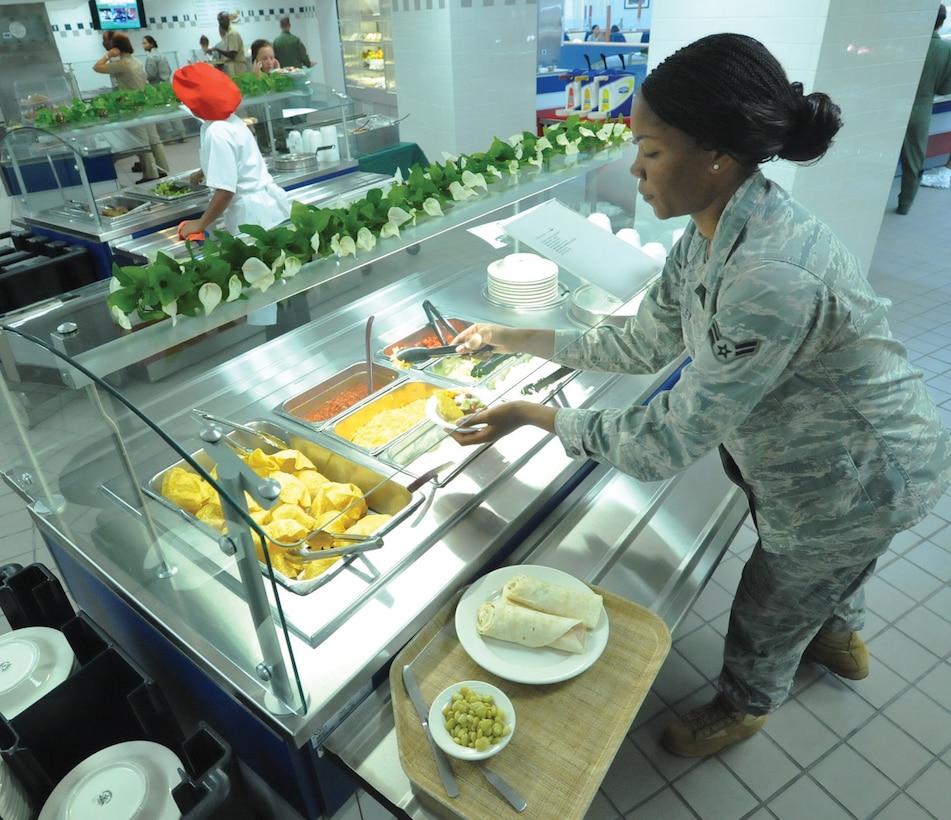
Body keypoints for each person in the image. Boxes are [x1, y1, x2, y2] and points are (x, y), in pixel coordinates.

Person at [449, 33, 951, 757]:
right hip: (820, 462)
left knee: (772, 598)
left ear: (714, 153)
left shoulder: (766, 276)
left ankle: (744, 704)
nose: (635, 169)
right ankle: (836, 632)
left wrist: (535, 415)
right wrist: (517, 338)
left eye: (650, 152)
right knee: (828, 571)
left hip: (860, 473)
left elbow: (665, 442)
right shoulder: (711, 231)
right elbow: (644, 343)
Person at [172, 62, 289, 240]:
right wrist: (202, 172)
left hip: (252, 218)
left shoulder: (216, 132)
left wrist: (200, 224)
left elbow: (225, 192)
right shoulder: (227, 121)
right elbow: (231, 160)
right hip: (264, 208)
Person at [93, 32, 170, 183]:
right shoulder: (136, 61)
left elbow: (96, 67)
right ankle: (162, 169)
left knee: (142, 142)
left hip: (133, 107)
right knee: (154, 139)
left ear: (116, 47)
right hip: (146, 103)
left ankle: (150, 174)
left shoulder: (122, 64)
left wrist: (108, 55)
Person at [898, 5, 951, 213]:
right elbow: (945, 87)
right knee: (913, 161)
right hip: (921, 109)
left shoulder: (906, 45)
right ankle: (905, 205)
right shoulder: (946, 50)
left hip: (893, 106)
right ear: (941, 23)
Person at [142, 35, 186, 142]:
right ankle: (181, 133)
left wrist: (143, 77)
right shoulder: (163, 55)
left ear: (151, 44)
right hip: (167, 85)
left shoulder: (150, 57)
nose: (143, 46)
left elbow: (151, 74)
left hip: (156, 87)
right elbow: (169, 70)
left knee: (162, 111)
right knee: (173, 109)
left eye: (145, 43)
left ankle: (169, 136)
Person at [210, 11, 247, 77]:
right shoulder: (228, 34)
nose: (220, 24)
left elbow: (232, 54)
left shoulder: (232, 33)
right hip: (233, 67)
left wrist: (217, 50)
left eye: (222, 21)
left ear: (228, 20)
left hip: (237, 68)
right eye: (219, 21)